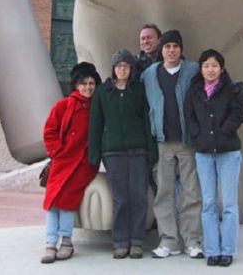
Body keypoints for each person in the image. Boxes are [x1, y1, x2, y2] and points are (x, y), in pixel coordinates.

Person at [89, 49, 158, 260]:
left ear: (131, 69)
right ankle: (120, 241)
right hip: (113, 151)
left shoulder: (139, 90)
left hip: (138, 151)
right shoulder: (102, 92)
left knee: (138, 196)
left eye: (126, 66)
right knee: (120, 198)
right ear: (113, 68)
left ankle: (137, 241)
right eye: (119, 66)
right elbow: (96, 124)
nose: (122, 69)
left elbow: (147, 121)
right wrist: (94, 154)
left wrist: (151, 149)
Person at [142, 30, 203, 259]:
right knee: (164, 193)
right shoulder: (149, 74)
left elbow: (214, 81)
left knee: (191, 192)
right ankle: (169, 240)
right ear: (161, 49)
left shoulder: (193, 70)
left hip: (187, 141)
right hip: (162, 141)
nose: (171, 50)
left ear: (181, 49)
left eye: (175, 46)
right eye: (167, 46)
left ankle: (192, 240)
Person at [184, 49, 243, 267]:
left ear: (221, 68)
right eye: (206, 65)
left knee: (229, 203)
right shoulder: (194, 91)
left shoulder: (231, 89)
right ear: (200, 69)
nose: (210, 70)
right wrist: (197, 134)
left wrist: (225, 130)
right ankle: (212, 250)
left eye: (214, 65)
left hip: (228, 152)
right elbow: (189, 116)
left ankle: (227, 250)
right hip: (204, 154)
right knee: (209, 203)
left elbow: (239, 113)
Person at [41, 62, 101, 264]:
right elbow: (50, 130)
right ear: (76, 85)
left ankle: (66, 240)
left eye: (91, 83)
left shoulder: (97, 108)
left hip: (83, 164)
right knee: (52, 202)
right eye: (83, 83)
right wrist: (57, 151)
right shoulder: (64, 105)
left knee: (67, 201)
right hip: (62, 160)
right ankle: (50, 242)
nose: (88, 87)